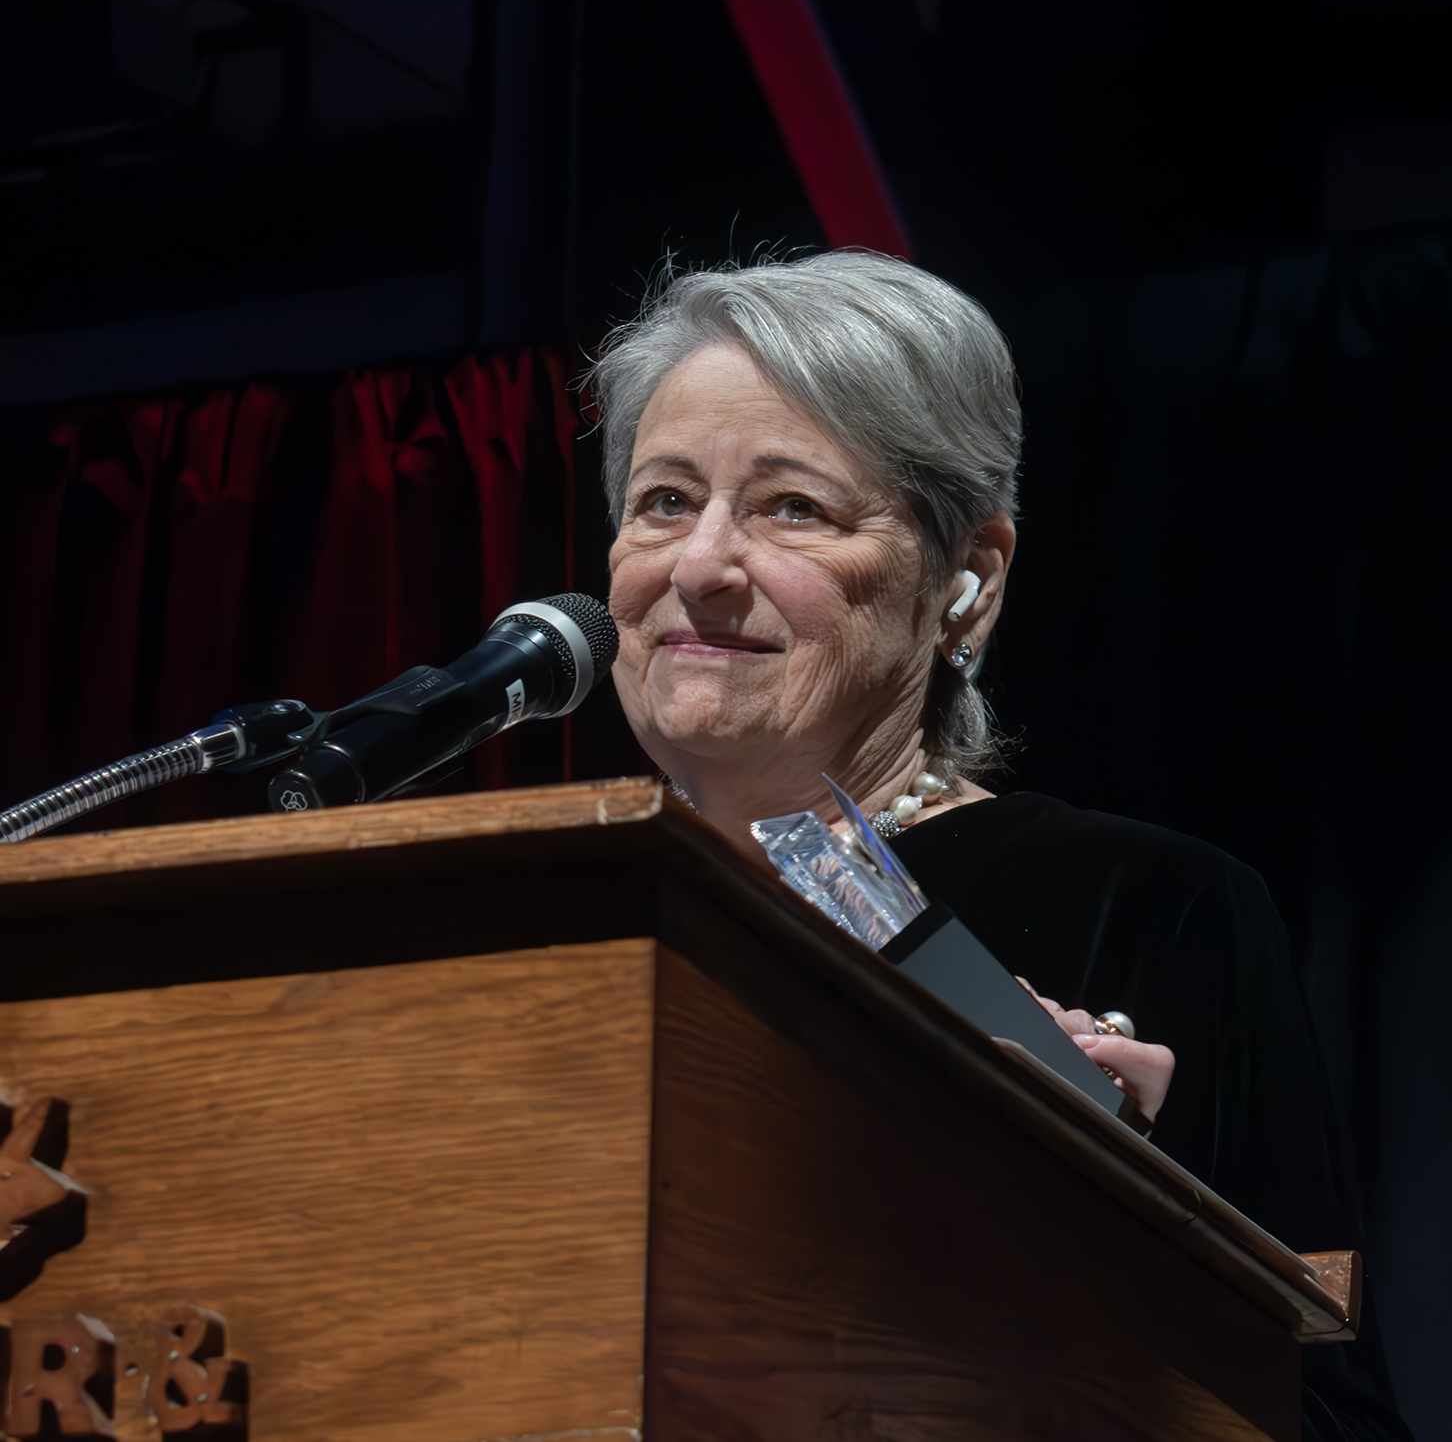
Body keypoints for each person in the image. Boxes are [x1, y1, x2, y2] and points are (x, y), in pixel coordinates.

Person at [589, 250, 1410, 1441]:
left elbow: (1326, 1419)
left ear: (966, 583)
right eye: (665, 501)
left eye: (793, 508)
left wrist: (1102, 1220)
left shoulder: (1148, 909)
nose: (701, 564)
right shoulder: (542, 922)